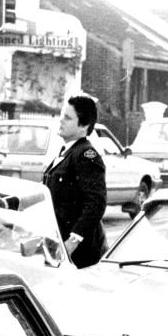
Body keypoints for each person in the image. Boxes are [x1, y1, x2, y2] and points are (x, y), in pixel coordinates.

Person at [43, 95, 107, 269]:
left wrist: (73, 241)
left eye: (68, 118)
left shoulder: (86, 156)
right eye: (62, 115)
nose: (61, 121)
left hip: (79, 253)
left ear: (84, 126)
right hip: (59, 244)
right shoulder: (66, 152)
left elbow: (96, 204)